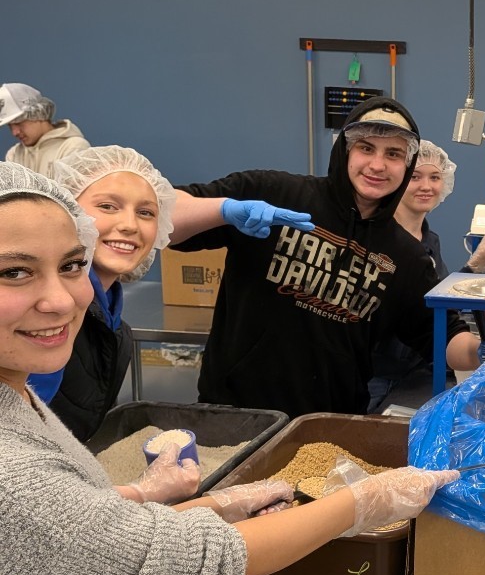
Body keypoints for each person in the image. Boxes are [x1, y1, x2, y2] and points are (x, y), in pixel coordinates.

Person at [0, 160, 458, 575]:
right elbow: (196, 560)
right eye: (15, 272)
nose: (61, 300)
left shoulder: (24, 398)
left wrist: (159, 500)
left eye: (72, 266)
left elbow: (68, 530)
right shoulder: (14, 472)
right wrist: (361, 502)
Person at [170, 97, 481, 575]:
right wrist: (228, 211)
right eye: (366, 147)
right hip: (240, 422)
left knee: (306, 571)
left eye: (395, 154)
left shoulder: (405, 254)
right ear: (345, 148)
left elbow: (439, 339)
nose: (378, 164)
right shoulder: (275, 194)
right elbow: (165, 216)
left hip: (324, 434)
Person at [30, 145, 315, 442]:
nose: (129, 225)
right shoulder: (48, 316)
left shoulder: (112, 325)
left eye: (146, 212)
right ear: (66, 210)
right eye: (108, 207)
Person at [368, 139, 485, 412]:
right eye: (415, 177)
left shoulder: (429, 240)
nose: (426, 186)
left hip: (420, 370)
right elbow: (419, 313)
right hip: (380, 379)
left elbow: (438, 301)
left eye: (435, 177)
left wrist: (475, 265)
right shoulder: (379, 244)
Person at [0, 82, 90, 177]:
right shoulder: (14, 154)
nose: (15, 132)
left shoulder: (73, 148)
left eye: (18, 123)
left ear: (38, 114)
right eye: (10, 126)